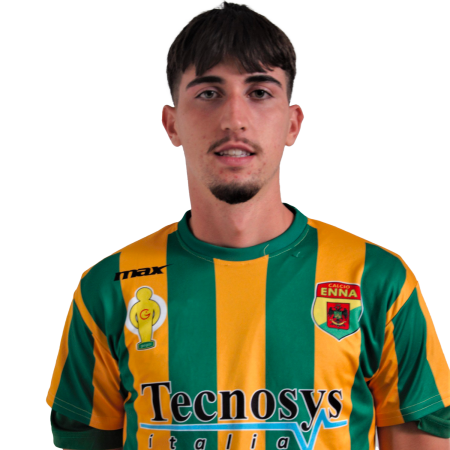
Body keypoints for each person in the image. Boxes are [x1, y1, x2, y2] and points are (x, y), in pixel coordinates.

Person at [46, 2, 450, 449]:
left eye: (259, 92)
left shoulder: (377, 280)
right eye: (208, 93)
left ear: (293, 124)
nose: (234, 119)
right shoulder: (107, 289)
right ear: (171, 124)